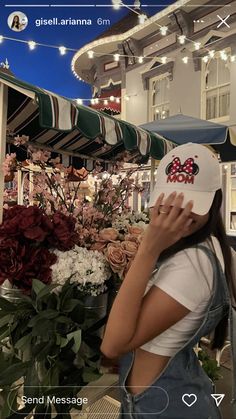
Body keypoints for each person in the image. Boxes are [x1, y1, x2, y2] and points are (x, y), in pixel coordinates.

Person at [101, 143, 235, 418]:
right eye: (169, 201)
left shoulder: (192, 265)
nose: (178, 212)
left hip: (160, 406)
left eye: (190, 203)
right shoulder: (215, 248)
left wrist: (149, 248)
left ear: (214, 202)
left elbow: (112, 345)